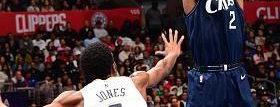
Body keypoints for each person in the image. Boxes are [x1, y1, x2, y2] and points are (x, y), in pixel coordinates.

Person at [43, 29, 184, 107]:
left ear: (84, 73)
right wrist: (173, 53)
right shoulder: (137, 81)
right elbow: (162, 68)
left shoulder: (76, 98)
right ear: (113, 67)